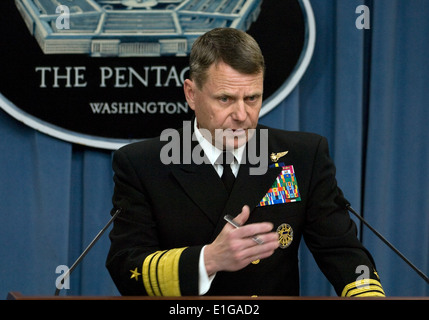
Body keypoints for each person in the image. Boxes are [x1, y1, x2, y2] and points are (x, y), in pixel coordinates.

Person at [106, 27, 385, 297]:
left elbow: (341, 250)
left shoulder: (302, 156)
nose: (242, 114)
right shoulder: (143, 164)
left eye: (252, 98)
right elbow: (127, 267)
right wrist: (208, 260)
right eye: (225, 99)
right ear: (191, 94)